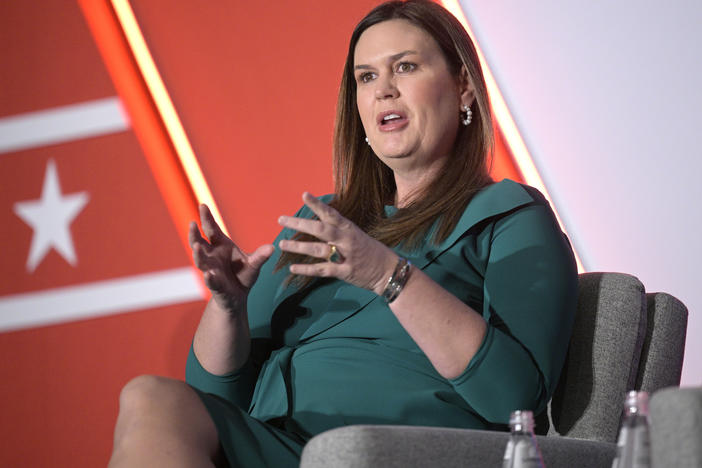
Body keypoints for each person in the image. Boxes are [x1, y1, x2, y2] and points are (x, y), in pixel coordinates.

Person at [108, 1, 578, 466]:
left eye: (406, 67)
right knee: (149, 396)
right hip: (278, 446)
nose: (384, 91)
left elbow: (515, 399)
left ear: (463, 88)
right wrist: (228, 307)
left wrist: (387, 276)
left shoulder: (508, 216)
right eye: (367, 77)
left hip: (395, 452)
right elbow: (213, 392)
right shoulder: (328, 220)